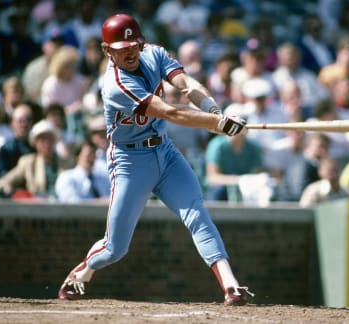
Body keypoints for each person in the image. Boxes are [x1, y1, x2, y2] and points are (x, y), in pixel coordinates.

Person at [57, 14, 252, 306]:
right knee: (114, 248)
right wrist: (217, 125)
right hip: (130, 161)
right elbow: (169, 111)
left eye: (134, 44)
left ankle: (231, 286)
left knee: (197, 214)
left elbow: (186, 84)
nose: (130, 51)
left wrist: (214, 110)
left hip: (165, 151)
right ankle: (82, 271)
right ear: (108, 50)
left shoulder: (154, 54)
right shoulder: (114, 84)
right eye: (122, 48)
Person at [0, 119, 74, 200]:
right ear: (35, 143)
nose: (46, 143)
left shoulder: (67, 163)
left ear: (55, 141)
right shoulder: (28, 162)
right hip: (37, 208)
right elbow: (1, 183)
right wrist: (6, 188)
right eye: (42, 139)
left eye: (49, 139)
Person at [0, 103, 35, 176]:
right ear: (12, 123)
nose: (24, 124)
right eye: (20, 121)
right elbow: (4, 175)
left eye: (28, 120)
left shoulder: (38, 147)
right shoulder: (6, 149)